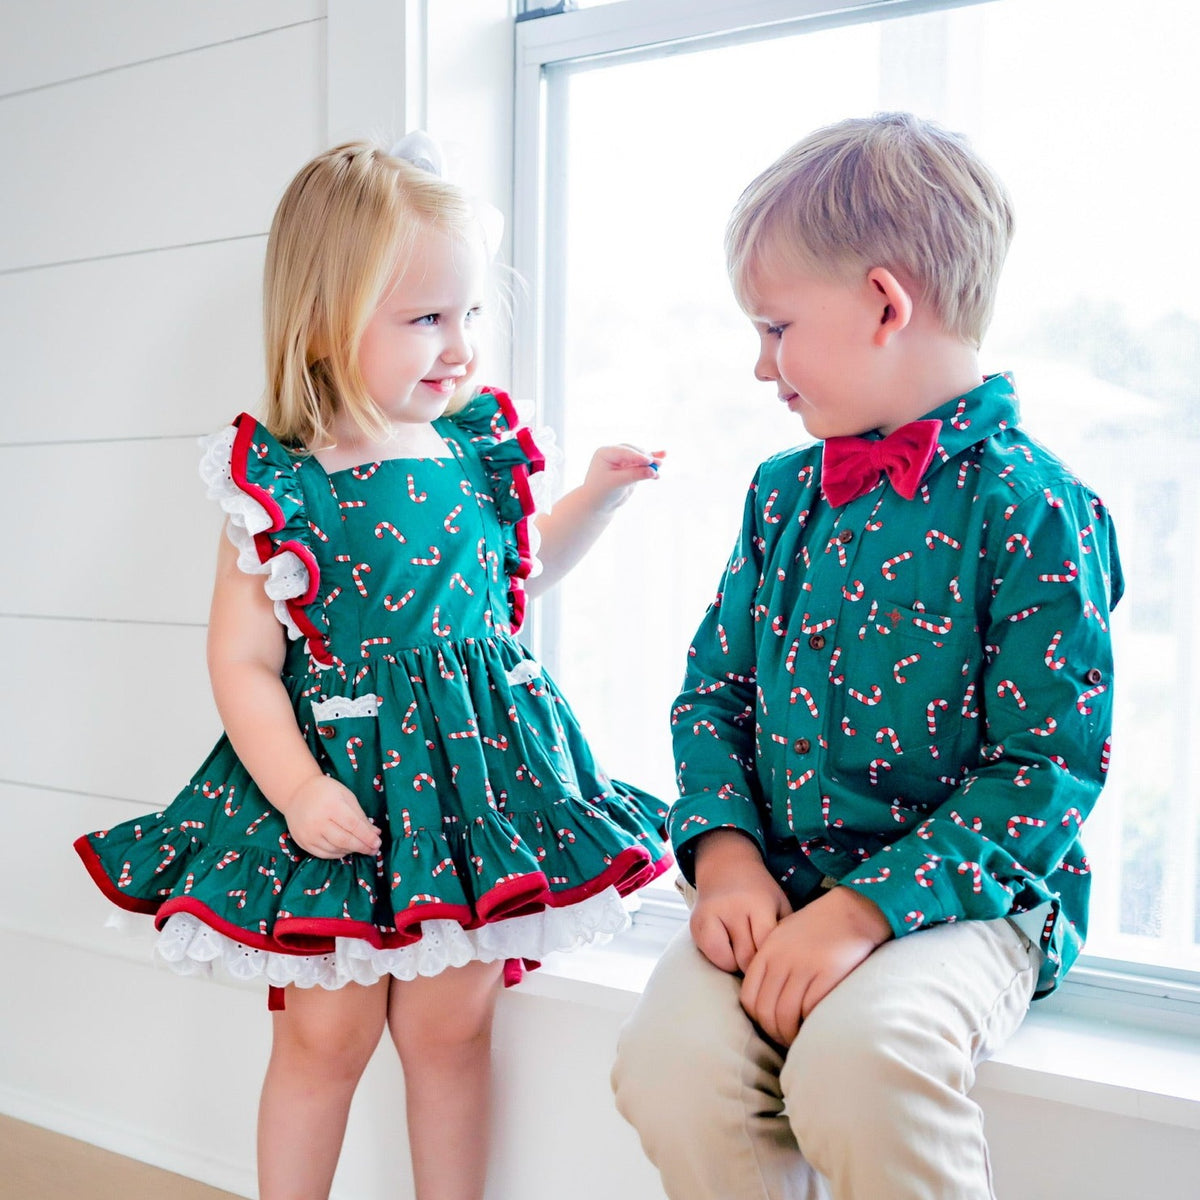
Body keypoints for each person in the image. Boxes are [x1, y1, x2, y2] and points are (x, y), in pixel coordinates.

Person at [74, 135, 670, 1200]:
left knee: (451, 1032)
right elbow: (244, 662)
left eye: (469, 315)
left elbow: (510, 587)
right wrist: (297, 790)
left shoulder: (473, 454)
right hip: (342, 789)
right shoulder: (281, 483)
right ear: (322, 322)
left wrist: (596, 498)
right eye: (424, 319)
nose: (458, 347)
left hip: (477, 787)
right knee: (324, 1040)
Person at [611, 112, 1123, 1200]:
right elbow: (713, 697)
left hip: (966, 901)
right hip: (781, 882)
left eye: (776, 328)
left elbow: (1047, 769)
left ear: (886, 303)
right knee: (670, 1066)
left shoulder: (1038, 511)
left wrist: (862, 913)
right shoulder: (779, 497)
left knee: (863, 1065)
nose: (762, 366)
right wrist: (728, 857)